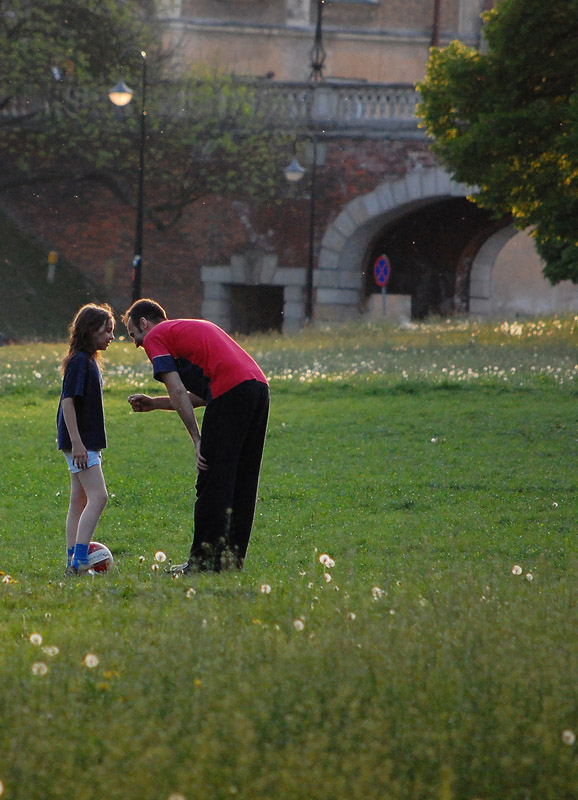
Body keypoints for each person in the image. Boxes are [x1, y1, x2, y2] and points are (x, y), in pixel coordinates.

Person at [122, 299, 269, 573]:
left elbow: (177, 391)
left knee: (212, 478)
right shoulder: (187, 329)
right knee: (243, 479)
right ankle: (231, 560)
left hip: (231, 391)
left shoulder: (156, 336)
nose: (137, 344)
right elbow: (203, 395)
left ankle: (202, 563)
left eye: (134, 335)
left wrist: (197, 439)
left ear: (145, 323)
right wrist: (154, 403)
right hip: (257, 388)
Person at [57, 304, 115, 577]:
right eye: (107, 331)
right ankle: (80, 560)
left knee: (79, 501)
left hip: (84, 441)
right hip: (81, 443)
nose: (111, 337)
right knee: (99, 497)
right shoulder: (79, 361)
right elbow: (68, 402)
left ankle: (72, 560)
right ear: (91, 330)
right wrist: (78, 443)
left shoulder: (87, 359)